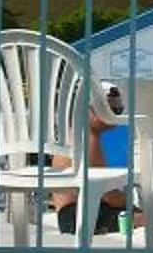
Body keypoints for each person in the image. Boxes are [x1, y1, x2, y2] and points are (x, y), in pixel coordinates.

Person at [49, 79, 132, 236]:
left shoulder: (71, 137)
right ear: (89, 110)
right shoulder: (87, 140)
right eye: (111, 111)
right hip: (79, 216)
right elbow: (108, 195)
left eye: (119, 110)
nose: (116, 117)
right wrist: (129, 202)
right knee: (145, 218)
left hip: (72, 215)